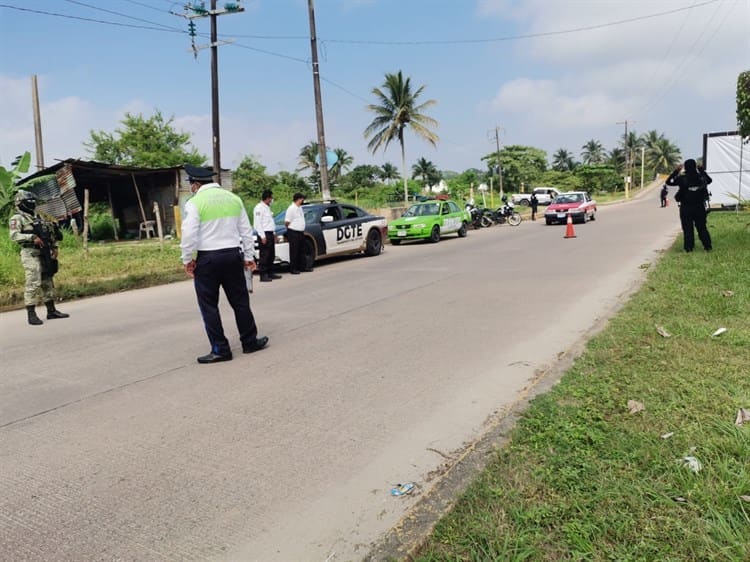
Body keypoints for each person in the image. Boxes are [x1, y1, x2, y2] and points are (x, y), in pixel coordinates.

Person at [180, 164, 268, 364]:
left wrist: (187, 259)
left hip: (208, 258)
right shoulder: (233, 198)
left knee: (209, 305)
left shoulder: (195, 202)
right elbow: (246, 231)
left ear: (195, 184)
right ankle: (249, 341)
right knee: (240, 301)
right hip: (232, 256)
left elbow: (189, 234)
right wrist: (249, 256)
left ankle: (220, 349)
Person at [9, 190, 69, 325]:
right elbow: (13, 235)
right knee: (33, 283)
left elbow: (49, 233)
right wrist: (31, 237)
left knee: (47, 281)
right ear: (20, 203)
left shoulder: (38, 218)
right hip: (30, 253)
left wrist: (54, 247)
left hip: (45, 253)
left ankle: (51, 311)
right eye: (28, 202)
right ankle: (31, 314)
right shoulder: (17, 218)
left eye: (32, 201)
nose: (32, 204)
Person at [665, 159, 712, 252]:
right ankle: (707, 246)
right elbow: (709, 180)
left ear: (685, 167)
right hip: (699, 207)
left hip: (685, 207)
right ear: (695, 166)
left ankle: (689, 248)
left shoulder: (681, 178)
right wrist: (701, 170)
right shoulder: (700, 177)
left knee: (687, 229)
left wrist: (676, 171)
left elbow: (669, 182)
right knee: (702, 227)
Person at [253, 189, 281, 283]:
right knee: (264, 255)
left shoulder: (267, 207)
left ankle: (270, 272)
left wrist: (274, 234)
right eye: (271, 198)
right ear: (267, 198)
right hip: (264, 234)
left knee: (271, 255)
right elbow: (258, 223)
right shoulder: (259, 207)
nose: (272, 200)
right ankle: (263, 274)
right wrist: (262, 236)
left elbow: (270, 223)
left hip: (270, 233)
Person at [284, 192, 309, 274]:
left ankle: (303, 267)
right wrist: (291, 228)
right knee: (294, 251)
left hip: (300, 232)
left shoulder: (300, 208)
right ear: (298, 199)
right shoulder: (291, 208)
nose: (303, 200)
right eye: (302, 199)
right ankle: (293, 268)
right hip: (293, 232)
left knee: (302, 250)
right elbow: (287, 222)